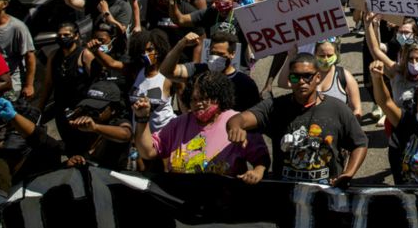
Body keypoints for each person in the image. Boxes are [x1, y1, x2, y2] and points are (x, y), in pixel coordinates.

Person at [225, 54, 368, 185]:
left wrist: (348, 174)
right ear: (289, 79)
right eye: (295, 77)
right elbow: (240, 119)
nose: (301, 81)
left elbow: (359, 143)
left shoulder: (337, 108)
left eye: (307, 76)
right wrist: (235, 127)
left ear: (318, 77)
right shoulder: (275, 107)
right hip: (287, 196)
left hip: (327, 194)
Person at [133, 70, 269, 181]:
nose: (198, 104)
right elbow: (148, 152)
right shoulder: (178, 124)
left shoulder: (236, 121)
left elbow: (261, 157)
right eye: (193, 100)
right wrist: (142, 119)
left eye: (204, 98)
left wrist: (257, 171)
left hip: (223, 204)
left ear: (219, 97)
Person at [0, 81, 132, 169]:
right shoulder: (79, 122)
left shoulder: (117, 122)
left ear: (113, 109)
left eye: (99, 108)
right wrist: (70, 162)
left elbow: (125, 134)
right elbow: (50, 144)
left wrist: (95, 128)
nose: (91, 112)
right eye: (89, 106)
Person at [159, 31, 261, 113]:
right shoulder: (198, 70)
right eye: (212, 53)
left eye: (220, 54)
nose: (215, 57)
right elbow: (166, 71)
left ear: (232, 54)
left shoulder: (245, 83)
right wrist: (181, 44)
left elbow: (254, 114)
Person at [279, 38, 361, 120]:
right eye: (322, 55)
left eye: (329, 55)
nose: (326, 59)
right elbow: (283, 83)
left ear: (336, 54)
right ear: (315, 54)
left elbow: (357, 109)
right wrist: (290, 57)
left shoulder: (344, 76)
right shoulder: (307, 75)